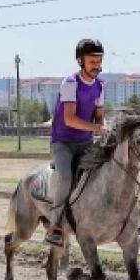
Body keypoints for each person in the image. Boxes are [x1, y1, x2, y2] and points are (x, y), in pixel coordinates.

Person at [45, 39, 105, 246]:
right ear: (81, 61)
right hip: (63, 142)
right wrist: (97, 128)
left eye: (99, 60)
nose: (96, 64)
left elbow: (99, 116)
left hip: (86, 142)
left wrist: (103, 128)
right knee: (64, 177)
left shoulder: (99, 85)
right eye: (92, 60)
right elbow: (69, 119)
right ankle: (55, 226)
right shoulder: (70, 83)